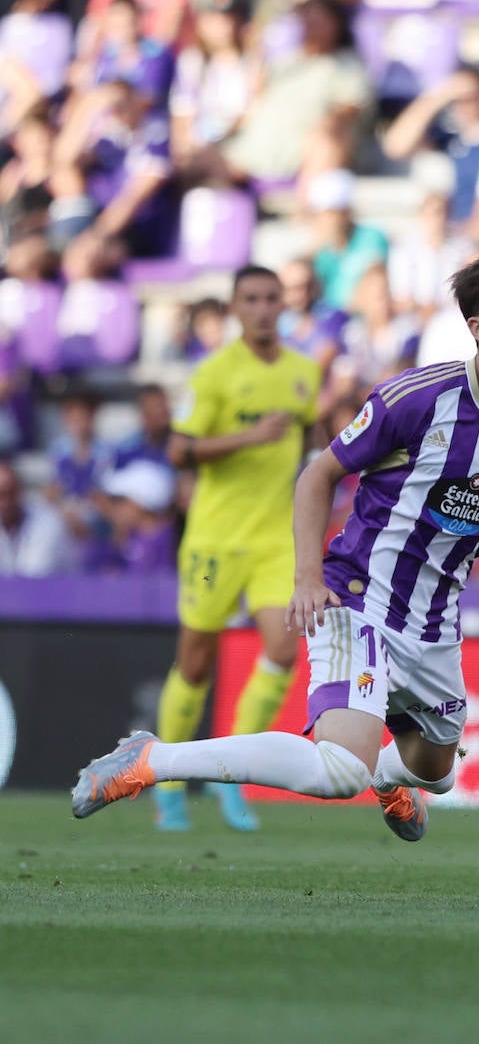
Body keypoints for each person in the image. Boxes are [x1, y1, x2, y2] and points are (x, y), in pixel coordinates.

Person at [72, 244, 479, 848]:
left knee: (439, 773)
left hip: (434, 626)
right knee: (338, 769)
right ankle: (151, 761)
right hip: (357, 594)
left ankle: (390, 779)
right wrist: (306, 579)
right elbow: (317, 476)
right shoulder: (417, 400)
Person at [142, 265, 323, 833]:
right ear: (236, 308)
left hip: (274, 539)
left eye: (273, 298)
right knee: (195, 661)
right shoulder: (215, 372)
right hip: (216, 540)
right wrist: (248, 435)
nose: (265, 308)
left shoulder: (303, 372)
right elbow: (177, 450)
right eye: (253, 299)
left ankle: (234, 776)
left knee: (283, 649)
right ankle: (166, 785)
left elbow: (315, 441)